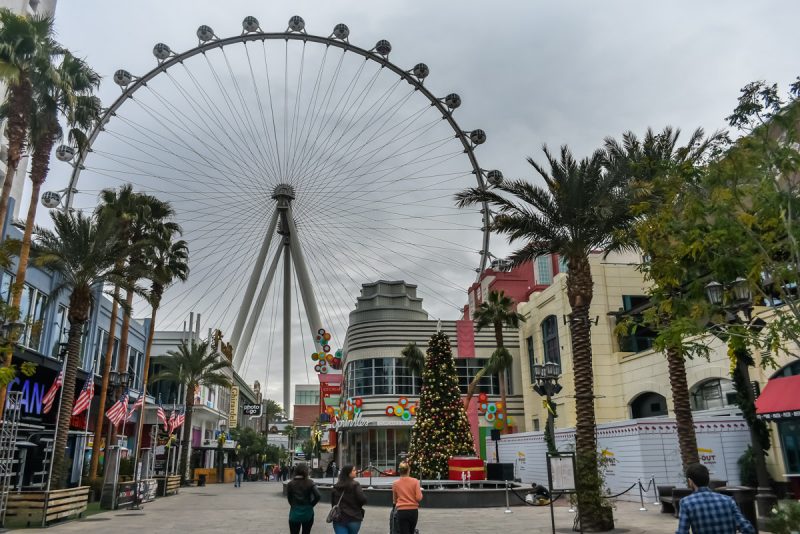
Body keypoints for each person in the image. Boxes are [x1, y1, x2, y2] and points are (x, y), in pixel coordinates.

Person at [676, 463, 755, 534]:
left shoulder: (686, 503)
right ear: (708, 479)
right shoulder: (728, 500)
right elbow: (748, 529)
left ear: (690, 481)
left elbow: (682, 532)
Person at [331, 464, 367, 534]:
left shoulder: (336, 486)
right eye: (353, 470)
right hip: (354, 518)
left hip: (339, 519)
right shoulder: (355, 485)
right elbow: (363, 500)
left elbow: (333, 503)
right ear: (348, 473)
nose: (355, 472)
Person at [287, 463, 321, 534]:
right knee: (306, 532)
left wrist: (293, 505)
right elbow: (318, 495)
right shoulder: (310, 482)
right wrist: (311, 505)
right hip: (308, 512)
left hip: (295, 511)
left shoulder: (290, 484)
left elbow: (289, 498)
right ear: (306, 471)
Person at [391, 462, 422, 534]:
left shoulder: (395, 483)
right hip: (413, 511)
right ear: (409, 470)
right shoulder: (415, 481)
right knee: (411, 531)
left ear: (399, 471)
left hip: (401, 511)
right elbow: (418, 498)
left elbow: (394, 500)